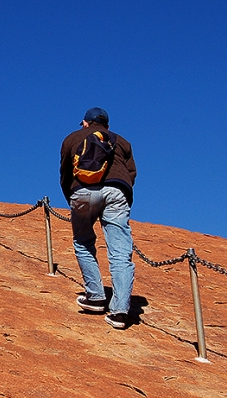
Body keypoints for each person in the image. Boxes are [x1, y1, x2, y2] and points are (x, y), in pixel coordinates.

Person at [60, 107, 137, 329]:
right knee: (121, 252)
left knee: (83, 242)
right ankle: (120, 312)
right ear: (107, 126)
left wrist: (72, 197)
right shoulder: (121, 141)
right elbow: (131, 173)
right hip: (117, 192)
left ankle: (95, 296)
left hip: (82, 191)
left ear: (85, 123)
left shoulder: (72, 138)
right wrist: (122, 193)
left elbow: (65, 172)